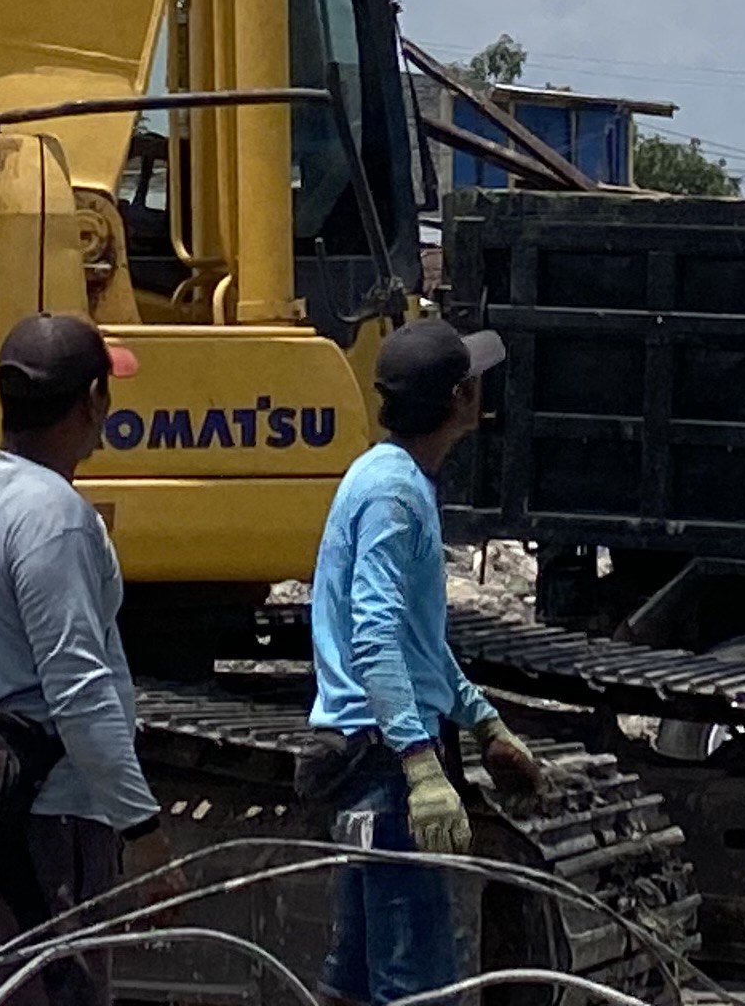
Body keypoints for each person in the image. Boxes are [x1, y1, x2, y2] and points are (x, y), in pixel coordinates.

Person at [307, 320, 545, 1006]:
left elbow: (414, 641)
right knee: (417, 986)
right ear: (461, 397)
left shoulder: (388, 475)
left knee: (357, 981)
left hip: (374, 752)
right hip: (383, 761)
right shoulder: (394, 495)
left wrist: (482, 720)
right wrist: (419, 764)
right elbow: (376, 638)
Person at [0, 314, 155, 1006]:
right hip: (47, 824)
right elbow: (79, 690)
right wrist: (140, 826)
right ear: (91, 401)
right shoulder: (54, 518)